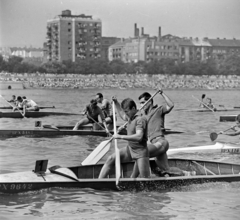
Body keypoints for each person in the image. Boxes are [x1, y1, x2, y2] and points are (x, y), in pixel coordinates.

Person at [98, 97, 150, 178]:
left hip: (140, 152)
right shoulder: (130, 117)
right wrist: (116, 102)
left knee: (145, 180)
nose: (125, 114)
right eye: (125, 111)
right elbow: (122, 114)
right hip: (130, 149)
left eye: (127, 111)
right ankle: (99, 182)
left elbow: (139, 136)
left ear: (133, 108)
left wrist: (120, 136)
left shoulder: (140, 119)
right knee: (111, 158)